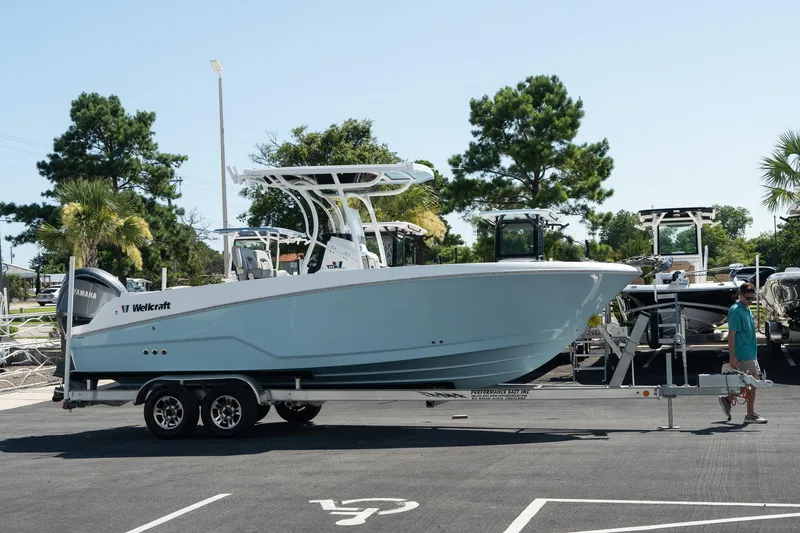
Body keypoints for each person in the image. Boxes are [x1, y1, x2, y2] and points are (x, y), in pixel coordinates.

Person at [718, 282, 767, 424]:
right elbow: (731, 336)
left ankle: (727, 400)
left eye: (752, 298)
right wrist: (732, 358)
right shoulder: (736, 311)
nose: (750, 301)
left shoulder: (747, 309)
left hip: (751, 354)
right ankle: (750, 414)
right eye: (747, 298)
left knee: (747, 385)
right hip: (743, 355)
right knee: (752, 384)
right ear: (740, 295)